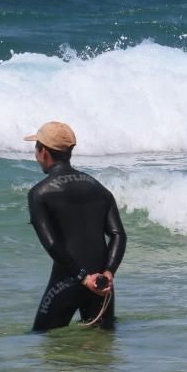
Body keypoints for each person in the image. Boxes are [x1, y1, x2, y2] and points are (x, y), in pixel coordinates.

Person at [24, 121, 126, 331]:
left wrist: (81, 278)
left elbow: (52, 244)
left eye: (36, 148)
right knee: (101, 351)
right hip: (102, 284)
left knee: (43, 339)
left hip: (67, 280)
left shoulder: (39, 193)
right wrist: (108, 273)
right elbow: (118, 235)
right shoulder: (99, 189)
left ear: (43, 151)